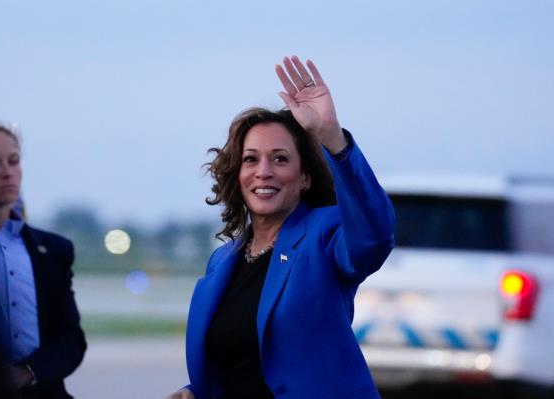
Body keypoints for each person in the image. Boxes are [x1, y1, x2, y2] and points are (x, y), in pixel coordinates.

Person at [167, 56, 395, 399]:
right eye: (250, 159)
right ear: (238, 175)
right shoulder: (222, 261)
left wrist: (332, 137)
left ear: (304, 177)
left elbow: (373, 237)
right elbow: (238, 364)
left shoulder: (324, 233)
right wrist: (195, 392)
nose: (264, 171)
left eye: (280, 158)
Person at [0, 122, 87, 398]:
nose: (7, 172)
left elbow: (72, 339)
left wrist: (28, 372)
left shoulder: (53, 250)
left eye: (13, 161)